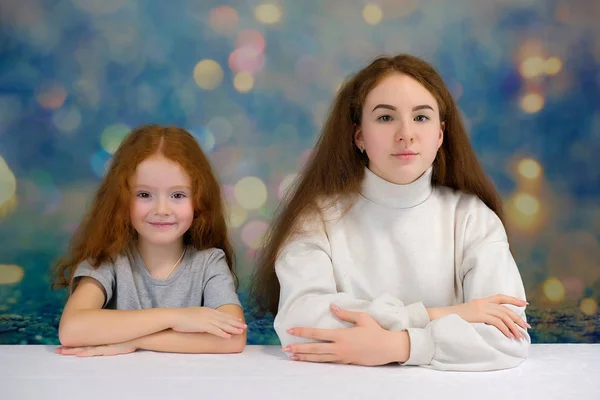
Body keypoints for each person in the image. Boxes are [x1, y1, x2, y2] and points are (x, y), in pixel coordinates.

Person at [250, 54, 531, 371]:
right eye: (385, 118)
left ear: (440, 135)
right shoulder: (317, 219)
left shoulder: (472, 218)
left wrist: (401, 346)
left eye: (421, 118)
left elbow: (507, 337)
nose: (406, 134)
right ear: (359, 136)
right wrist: (433, 316)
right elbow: (299, 324)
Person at [52, 125, 246, 356]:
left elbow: (233, 339)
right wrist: (178, 317)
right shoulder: (108, 260)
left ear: (199, 201)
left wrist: (134, 341)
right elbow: (72, 330)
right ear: (121, 200)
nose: (162, 209)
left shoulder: (210, 262)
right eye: (144, 195)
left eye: (178, 195)